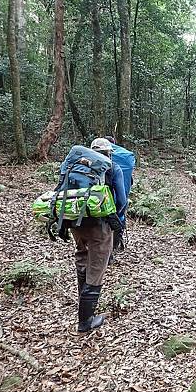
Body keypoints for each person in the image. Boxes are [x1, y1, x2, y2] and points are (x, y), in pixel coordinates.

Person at [71, 138, 126, 332]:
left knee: (82, 257)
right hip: (100, 224)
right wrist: (115, 218)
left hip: (74, 221)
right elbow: (122, 200)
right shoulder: (113, 168)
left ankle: (82, 305)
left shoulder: (76, 164)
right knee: (97, 266)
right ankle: (86, 320)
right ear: (109, 153)